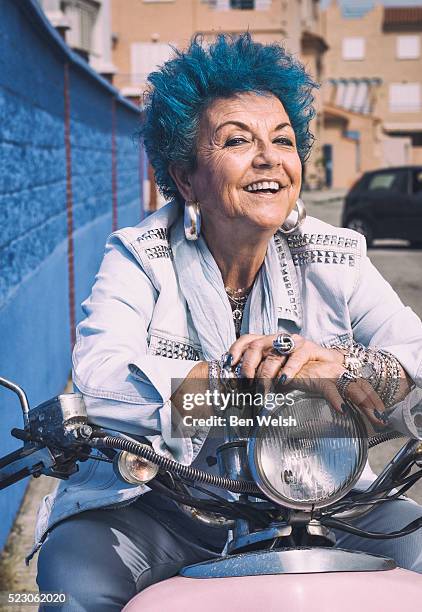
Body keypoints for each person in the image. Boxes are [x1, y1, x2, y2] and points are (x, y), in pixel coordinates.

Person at [35, 34, 422, 610]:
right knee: (71, 583)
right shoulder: (139, 254)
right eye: (238, 140)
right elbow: (100, 377)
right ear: (186, 179)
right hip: (164, 513)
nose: (268, 156)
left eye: (283, 141)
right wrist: (234, 385)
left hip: (327, 507)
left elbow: (412, 351)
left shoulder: (337, 255)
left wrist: (351, 367)